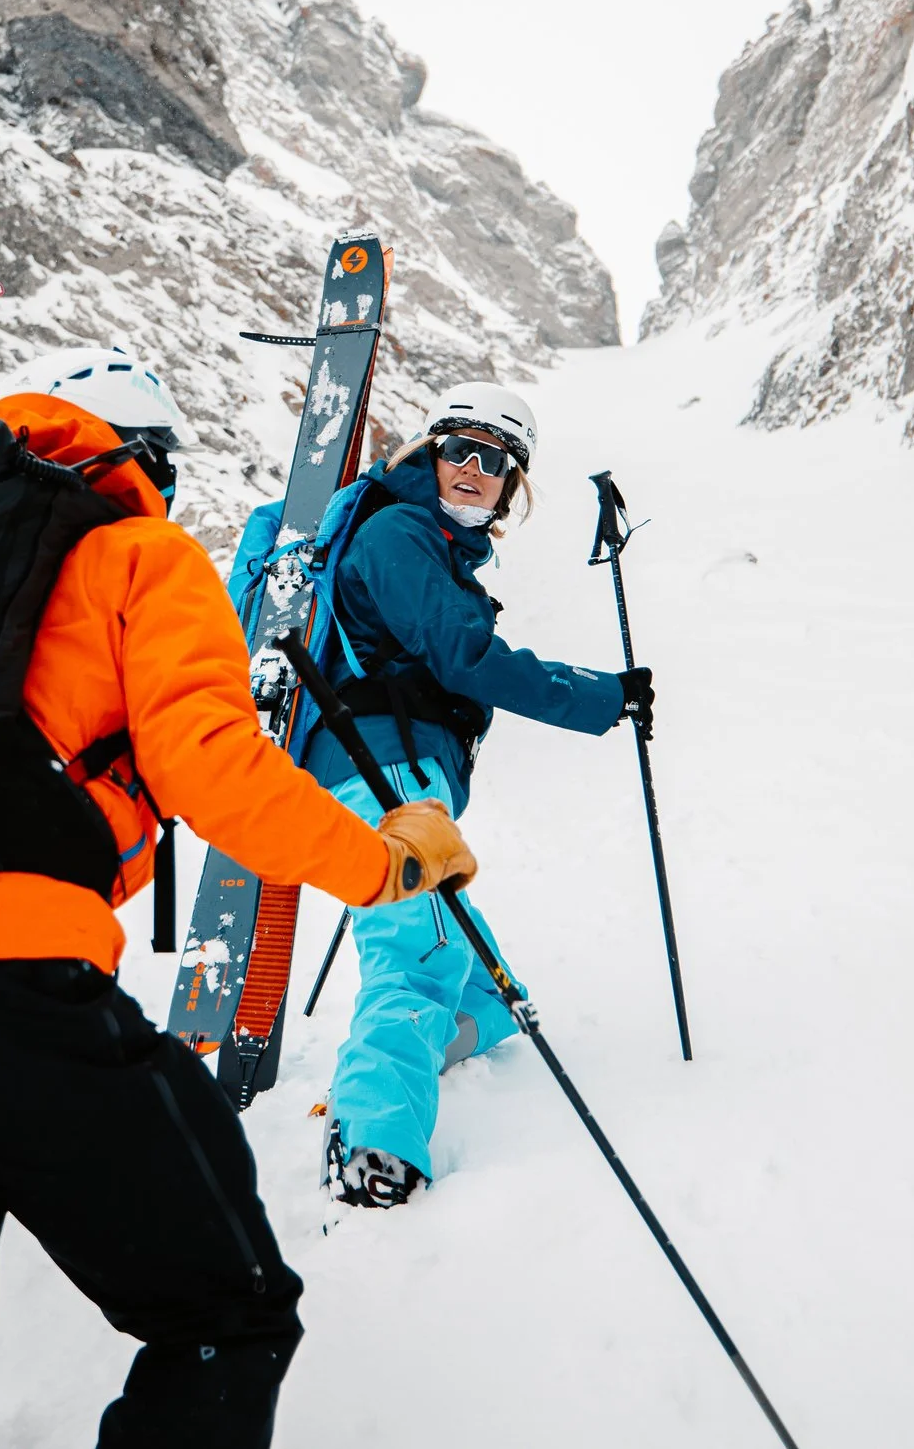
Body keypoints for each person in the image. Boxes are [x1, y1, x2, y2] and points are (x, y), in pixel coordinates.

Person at [0, 352, 478, 1449]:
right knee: (228, 1311)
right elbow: (214, 765)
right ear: (137, 456)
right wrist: (385, 864)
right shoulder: (135, 551)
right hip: (4, 1000)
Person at [303, 381, 655, 1208]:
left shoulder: (430, 544)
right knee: (418, 959)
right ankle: (372, 1148)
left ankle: (410, 1053)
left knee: (490, 996)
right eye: (458, 447)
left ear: (510, 483)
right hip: (381, 767)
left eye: (494, 458)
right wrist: (601, 696)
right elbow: (464, 658)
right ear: (430, 452)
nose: (472, 467)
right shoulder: (398, 532)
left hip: (407, 772)